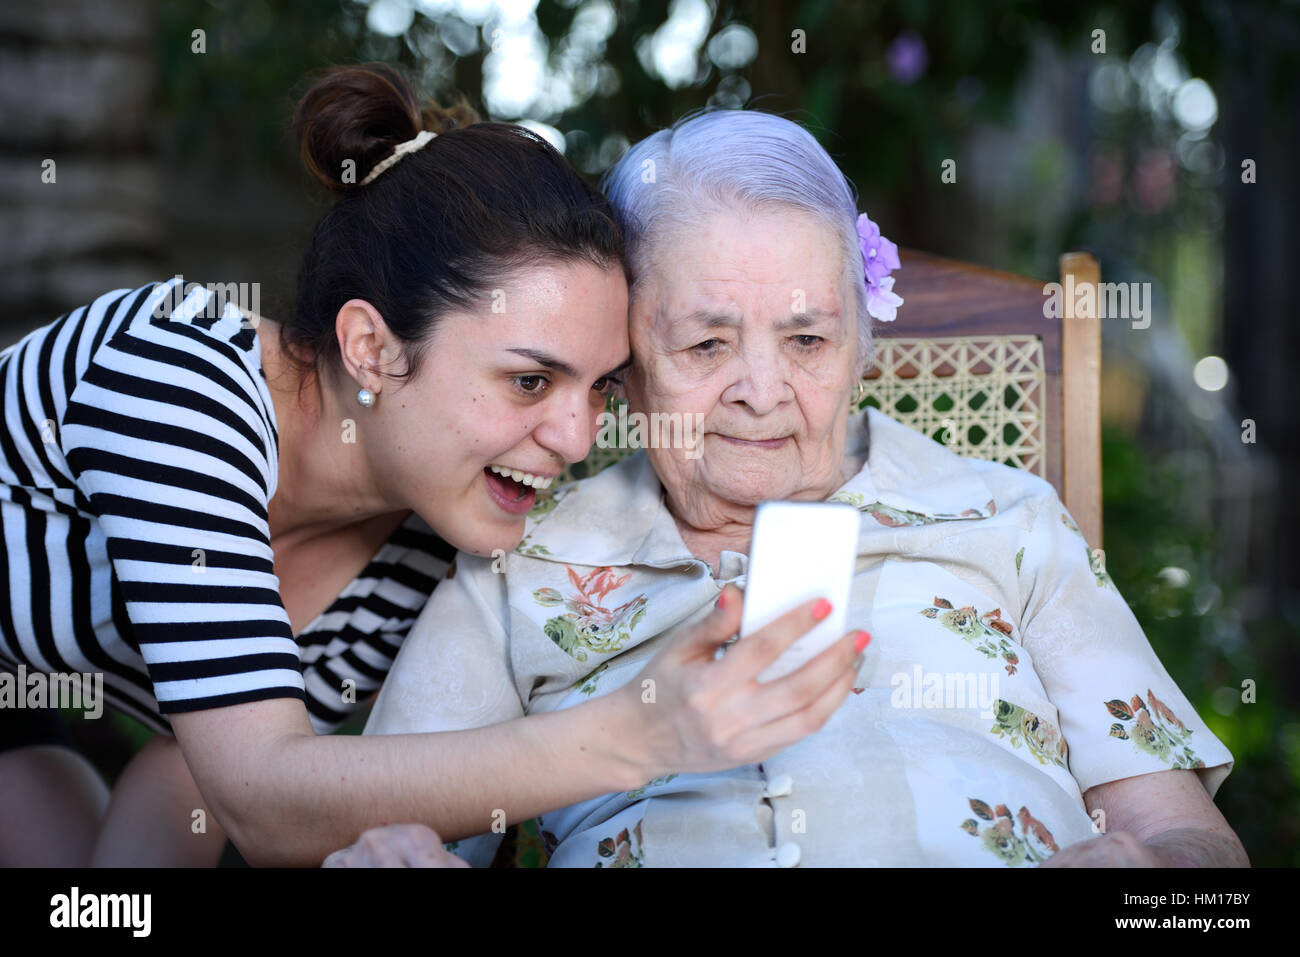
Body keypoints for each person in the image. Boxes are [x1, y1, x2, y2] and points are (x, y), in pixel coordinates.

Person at [0, 68, 862, 867]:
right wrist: (641, 732)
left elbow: (199, 764)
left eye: (598, 386)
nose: (574, 436)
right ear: (370, 348)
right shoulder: (176, 379)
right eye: (529, 379)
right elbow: (263, 791)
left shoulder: (428, 540)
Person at [364, 108, 1248, 867]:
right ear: (623, 363)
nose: (760, 388)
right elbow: (382, 820)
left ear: (863, 343)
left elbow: (1194, 854)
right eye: (706, 344)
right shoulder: (524, 565)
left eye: (808, 340)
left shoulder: (1008, 521)